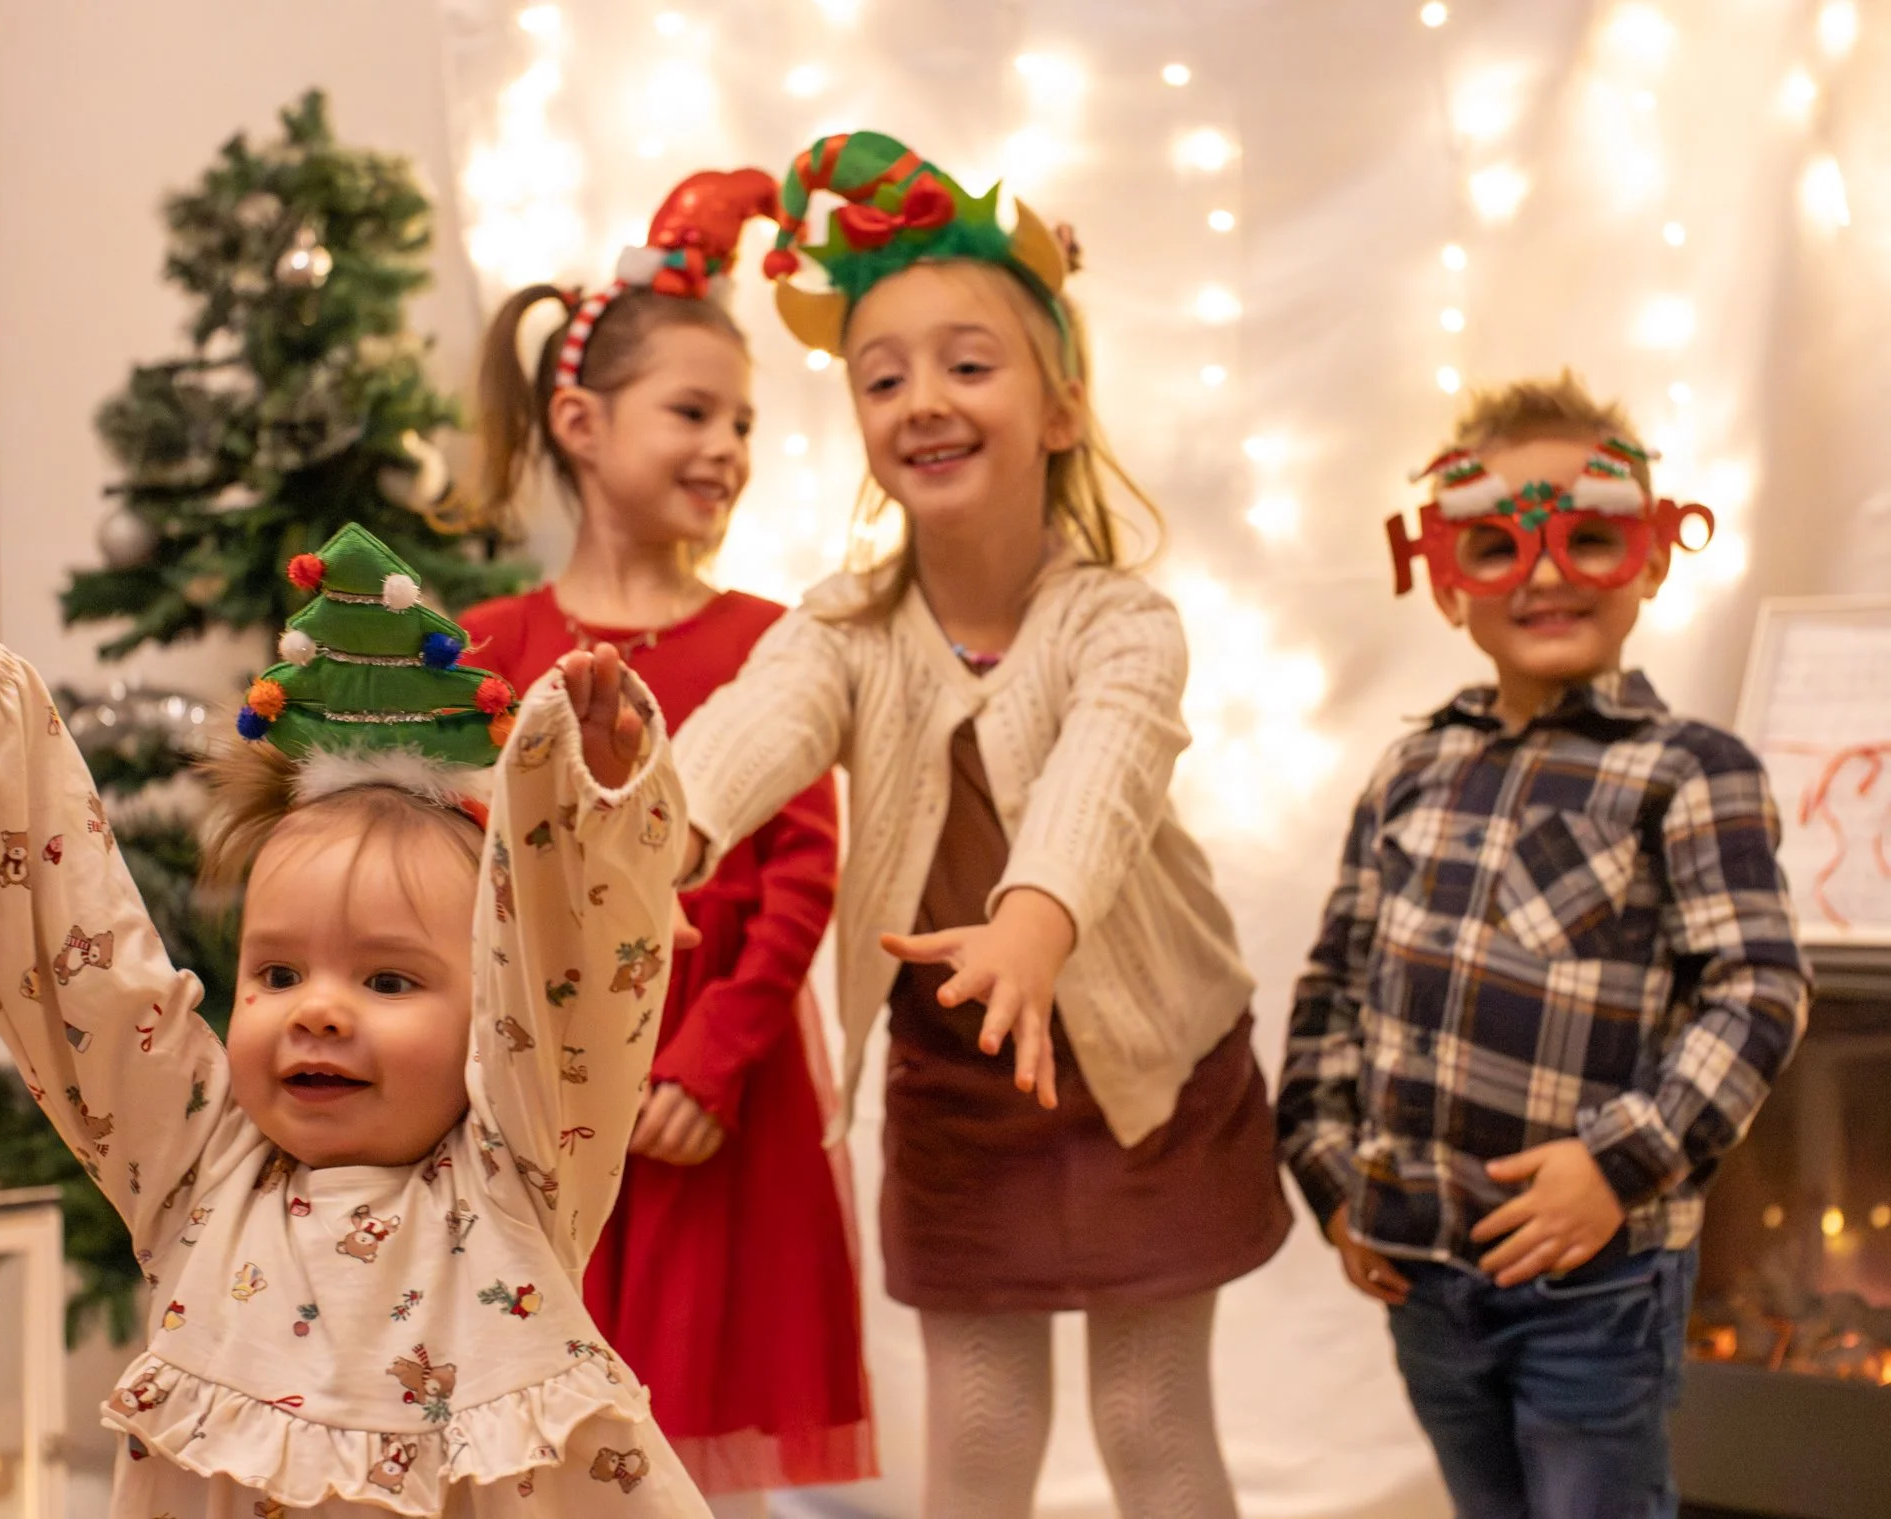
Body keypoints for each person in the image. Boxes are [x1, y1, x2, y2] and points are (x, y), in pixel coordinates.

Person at [673, 131, 1293, 1519]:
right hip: (964, 1078)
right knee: (981, 1415)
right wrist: (657, 835)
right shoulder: (843, 627)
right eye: (882, 376)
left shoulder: (1123, 621)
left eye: (969, 362)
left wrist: (1033, 919)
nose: (922, 400)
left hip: (1150, 1066)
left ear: (1061, 407)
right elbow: (752, 731)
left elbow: (1104, 772)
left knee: (1151, 1415)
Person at [0, 522, 708, 1516]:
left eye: (388, 982)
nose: (317, 1009)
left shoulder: (520, 1176)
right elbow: (78, 977)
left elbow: (575, 991)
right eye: (277, 972)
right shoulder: (197, 1165)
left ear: (488, 1026)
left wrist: (592, 808)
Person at [1277, 373, 1812, 1518]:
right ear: (1439, 573)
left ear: (1654, 556)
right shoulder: (1410, 769)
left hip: (1597, 1282)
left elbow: (1756, 993)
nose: (1545, 570)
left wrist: (1617, 1164)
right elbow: (1334, 982)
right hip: (1422, 1267)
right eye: (1494, 545)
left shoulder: (1687, 771)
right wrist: (1329, 1176)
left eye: (1588, 535)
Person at [459, 166, 873, 1511]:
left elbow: (804, 870)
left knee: (696, 1443)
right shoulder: (488, 650)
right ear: (580, 420)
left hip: (703, 1100)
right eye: (693, 410)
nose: (728, 447)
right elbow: (464, 880)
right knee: (541, 1425)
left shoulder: (771, 642)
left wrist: (713, 1056)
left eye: (743, 421)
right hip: (539, 1096)